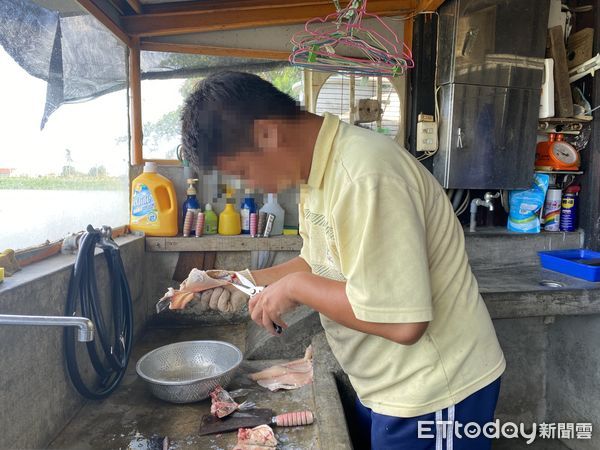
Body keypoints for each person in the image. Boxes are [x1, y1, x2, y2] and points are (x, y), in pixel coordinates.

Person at [181, 71, 505, 449]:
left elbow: (404, 322)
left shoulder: (365, 174)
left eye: (241, 173)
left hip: (436, 391)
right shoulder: (317, 170)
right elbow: (319, 260)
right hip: (386, 384)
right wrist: (242, 278)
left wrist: (297, 288)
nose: (247, 187)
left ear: (267, 134)